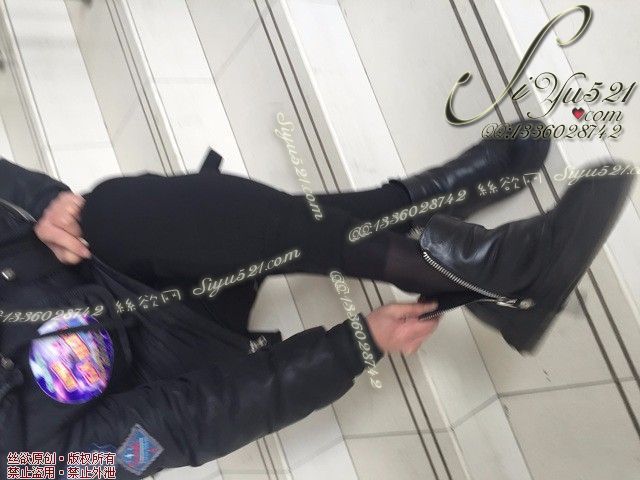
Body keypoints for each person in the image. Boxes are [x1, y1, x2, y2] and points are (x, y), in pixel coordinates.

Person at [0, 120, 633, 478]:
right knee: (232, 222)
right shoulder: (28, 467)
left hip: (104, 256)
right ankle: (471, 248)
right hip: (182, 343)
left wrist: (38, 202)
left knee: (117, 209)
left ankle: (467, 259)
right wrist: (354, 346)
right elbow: (179, 425)